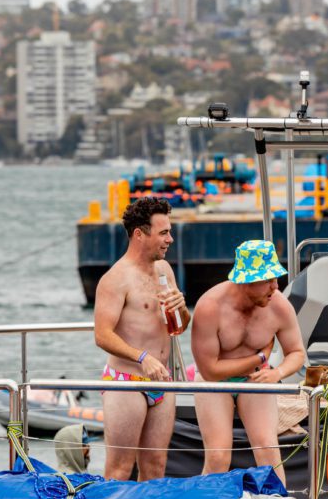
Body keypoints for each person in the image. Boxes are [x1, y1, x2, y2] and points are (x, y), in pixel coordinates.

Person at [191, 239, 306, 484]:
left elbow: (296, 352)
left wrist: (278, 373)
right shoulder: (210, 307)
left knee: (268, 450)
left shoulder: (279, 306)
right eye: (268, 280)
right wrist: (260, 357)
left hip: (258, 379)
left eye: (276, 278)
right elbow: (210, 371)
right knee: (219, 456)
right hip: (216, 383)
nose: (275, 286)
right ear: (245, 281)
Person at [94, 197, 190, 481]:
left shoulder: (165, 271)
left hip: (162, 381)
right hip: (128, 382)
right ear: (139, 234)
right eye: (163, 233)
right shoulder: (116, 278)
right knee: (120, 468)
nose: (170, 239)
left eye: (169, 232)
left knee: (156, 466)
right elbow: (102, 335)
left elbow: (181, 327)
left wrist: (182, 309)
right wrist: (141, 357)